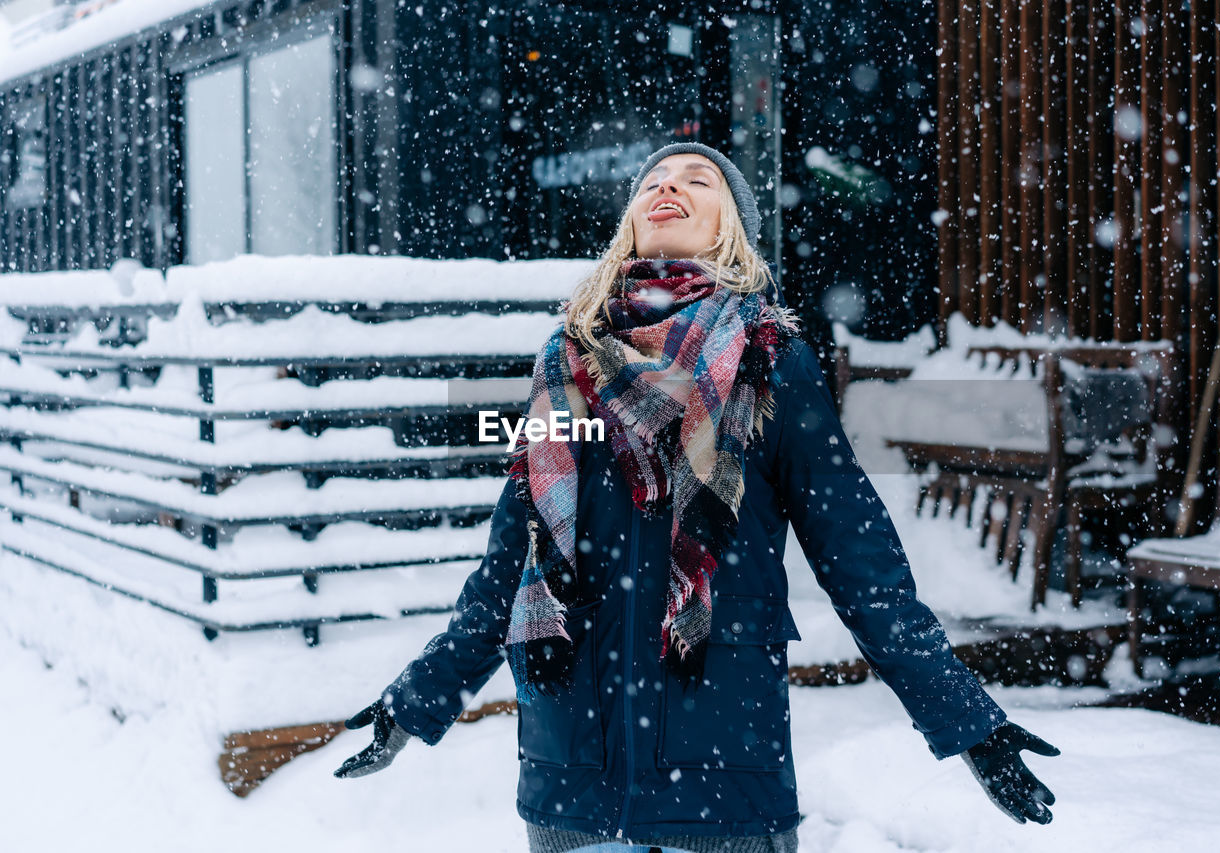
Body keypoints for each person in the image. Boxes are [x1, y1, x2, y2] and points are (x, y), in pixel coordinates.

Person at [334, 142, 1058, 851]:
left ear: (729, 231)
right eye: (654, 180)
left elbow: (861, 560)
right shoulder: (566, 367)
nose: (669, 186)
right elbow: (506, 568)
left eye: (698, 180)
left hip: (724, 779)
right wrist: (414, 701)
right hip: (572, 783)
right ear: (632, 222)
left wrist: (969, 722)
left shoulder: (772, 362)